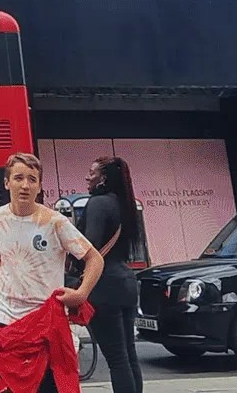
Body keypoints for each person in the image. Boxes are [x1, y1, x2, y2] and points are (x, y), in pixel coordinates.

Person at [0, 153, 102, 393]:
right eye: (18, 178)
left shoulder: (54, 222)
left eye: (32, 179)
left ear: (40, 186)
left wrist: (82, 293)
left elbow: (94, 258)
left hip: (47, 325)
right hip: (7, 323)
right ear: (6, 183)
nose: (25, 185)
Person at [80, 157, 143, 393]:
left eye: (91, 172)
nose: (87, 177)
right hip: (126, 281)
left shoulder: (97, 204)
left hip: (104, 285)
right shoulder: (124, 204)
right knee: (129, 354)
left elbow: (90, 245)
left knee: (116, 359)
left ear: (103, 178)